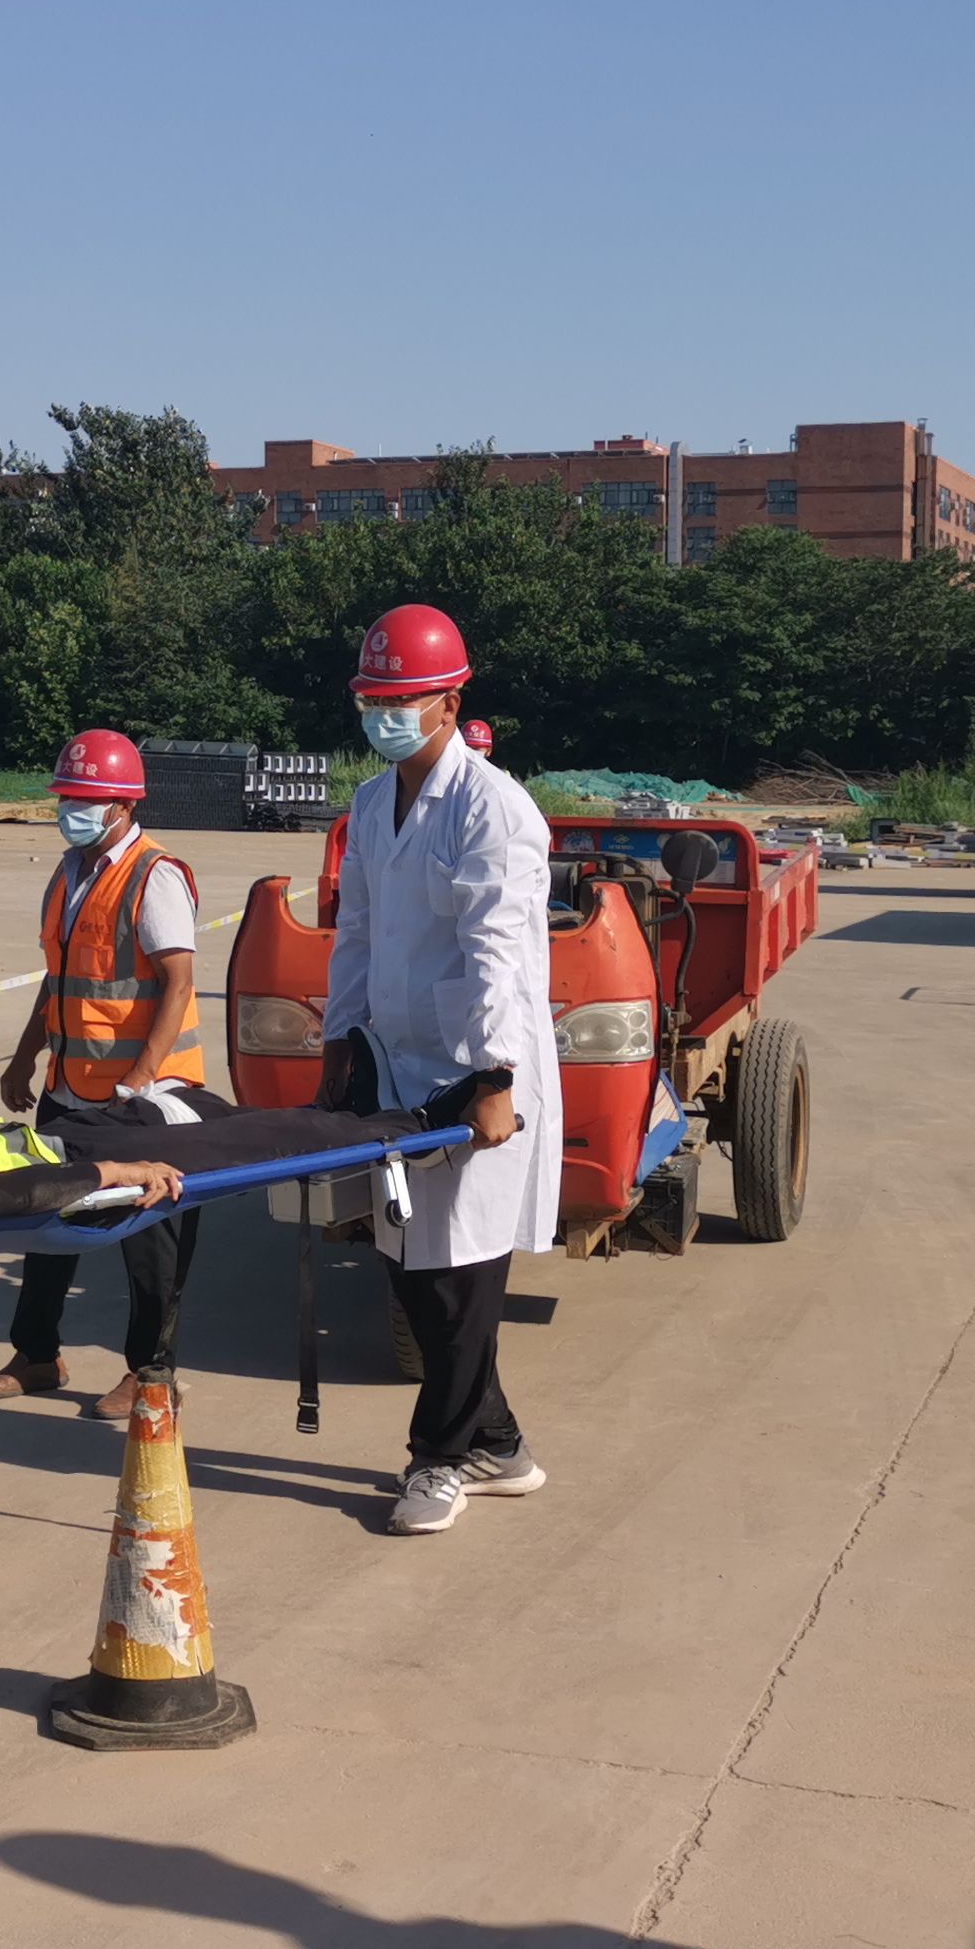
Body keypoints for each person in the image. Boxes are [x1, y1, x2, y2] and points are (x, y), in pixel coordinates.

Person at [325, 603, 562, 1536]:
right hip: (396, 1065)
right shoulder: (369, 804)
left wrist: (498, 1076)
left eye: (403, 701)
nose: (385, 717)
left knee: (460, 1279)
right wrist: (340, 1043)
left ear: (450, 702)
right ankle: (499, 1445)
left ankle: (440, 1458)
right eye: (373, 701)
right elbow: (356, 932)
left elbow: (497, 950)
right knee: (416, 1270)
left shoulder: (492, 808)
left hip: (473, 1068)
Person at [0, 729, 213, 1424]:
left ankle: (151, 1373)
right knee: (47, 1220)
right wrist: (24, 1056)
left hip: (143, 1096)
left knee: (150, 1239)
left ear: (123, 805)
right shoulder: (68, 873)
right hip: (70, 1085)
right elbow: (58, 978)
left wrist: (141, 1076)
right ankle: (37, 1354)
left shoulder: (153, 875)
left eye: (85, 799)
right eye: (66, 797)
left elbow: (177, 983)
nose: (70, 810)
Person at [0, 1076, 501, 1237]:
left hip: (72, 1129)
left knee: (223, 1115)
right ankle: (423, 1119)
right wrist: (114, 1175)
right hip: (79, 1156)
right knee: (273, 1146)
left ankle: (348, 1107)